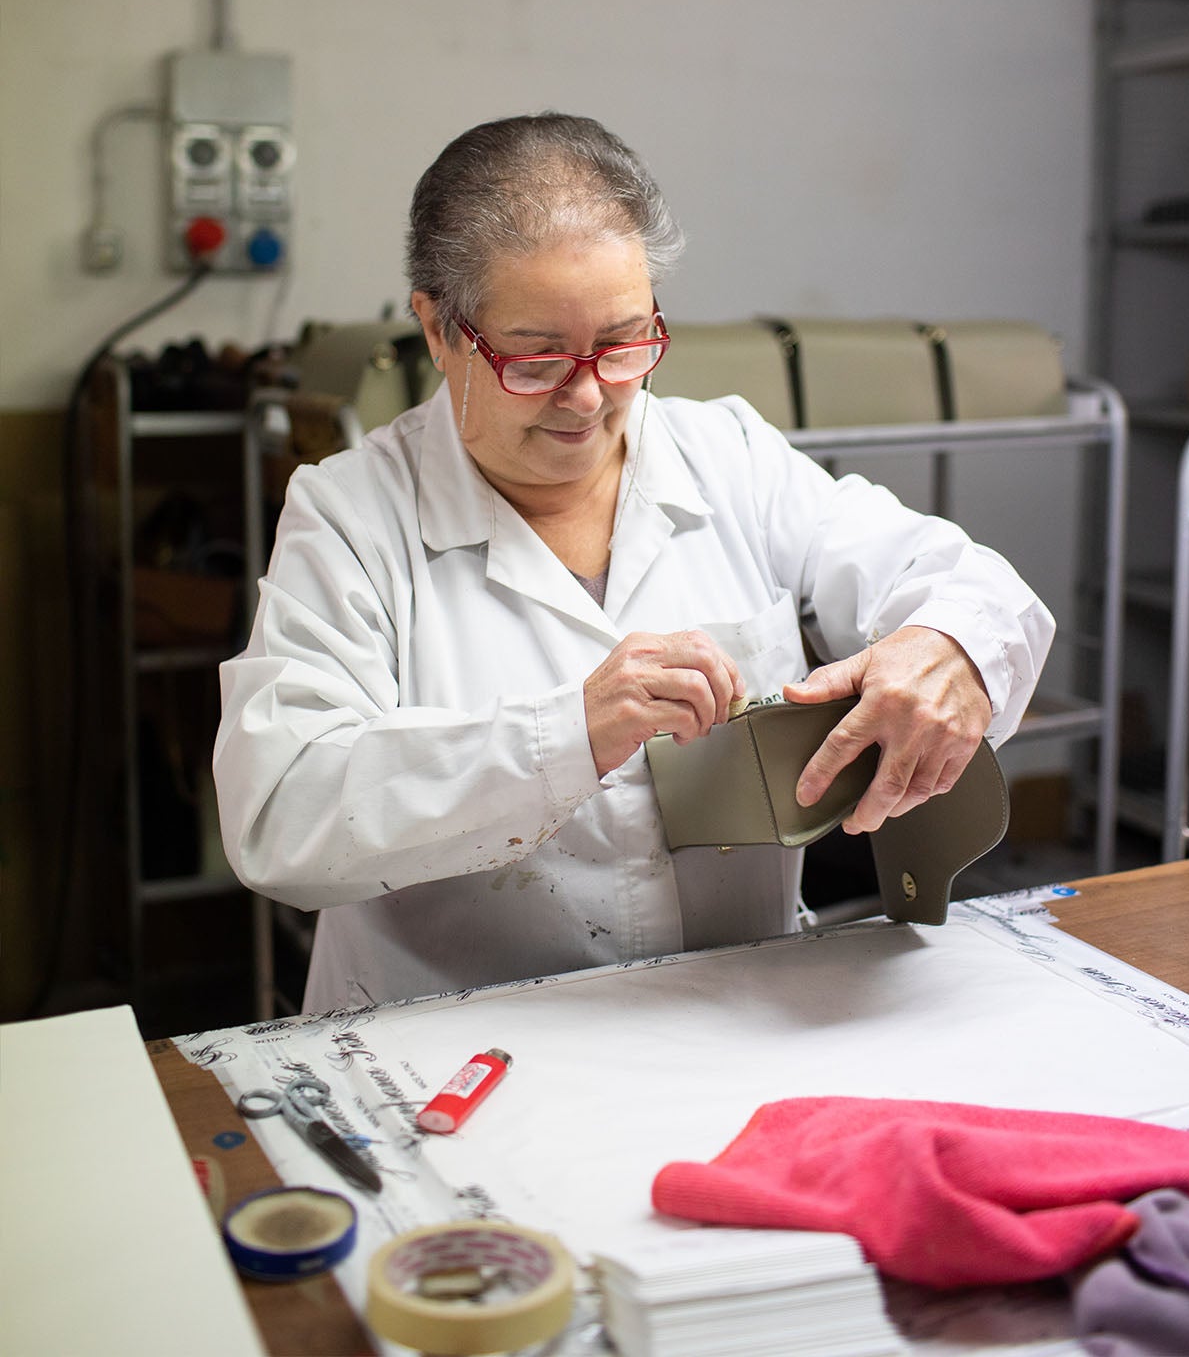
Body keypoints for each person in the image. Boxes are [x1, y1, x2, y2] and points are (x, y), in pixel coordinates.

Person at [214, 112, 1054, 1013]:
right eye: (537, 359)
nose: (587, 397)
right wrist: (565, 735)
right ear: (439, 329)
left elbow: (967, 586)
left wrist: (951, 650)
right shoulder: (352, 515)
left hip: (732, 1015)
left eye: (623, 346)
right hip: (457, 1043)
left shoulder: (727, 456)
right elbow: (281, 812)